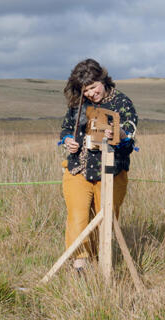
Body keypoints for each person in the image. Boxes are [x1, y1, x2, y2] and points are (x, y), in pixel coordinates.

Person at [58, 58, 138, 273]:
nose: (91, 94)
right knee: (78, 216)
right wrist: (68, 140)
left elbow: (130, 132)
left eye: (93, 88)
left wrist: (120, 134)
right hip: (78, 168)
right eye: (86, 91)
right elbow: (66, 128)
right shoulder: (78, 104)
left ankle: (102, 264)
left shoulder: (122, 102)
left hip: (111, 171)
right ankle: (80, 266)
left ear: (103, 80)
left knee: (105, 220)